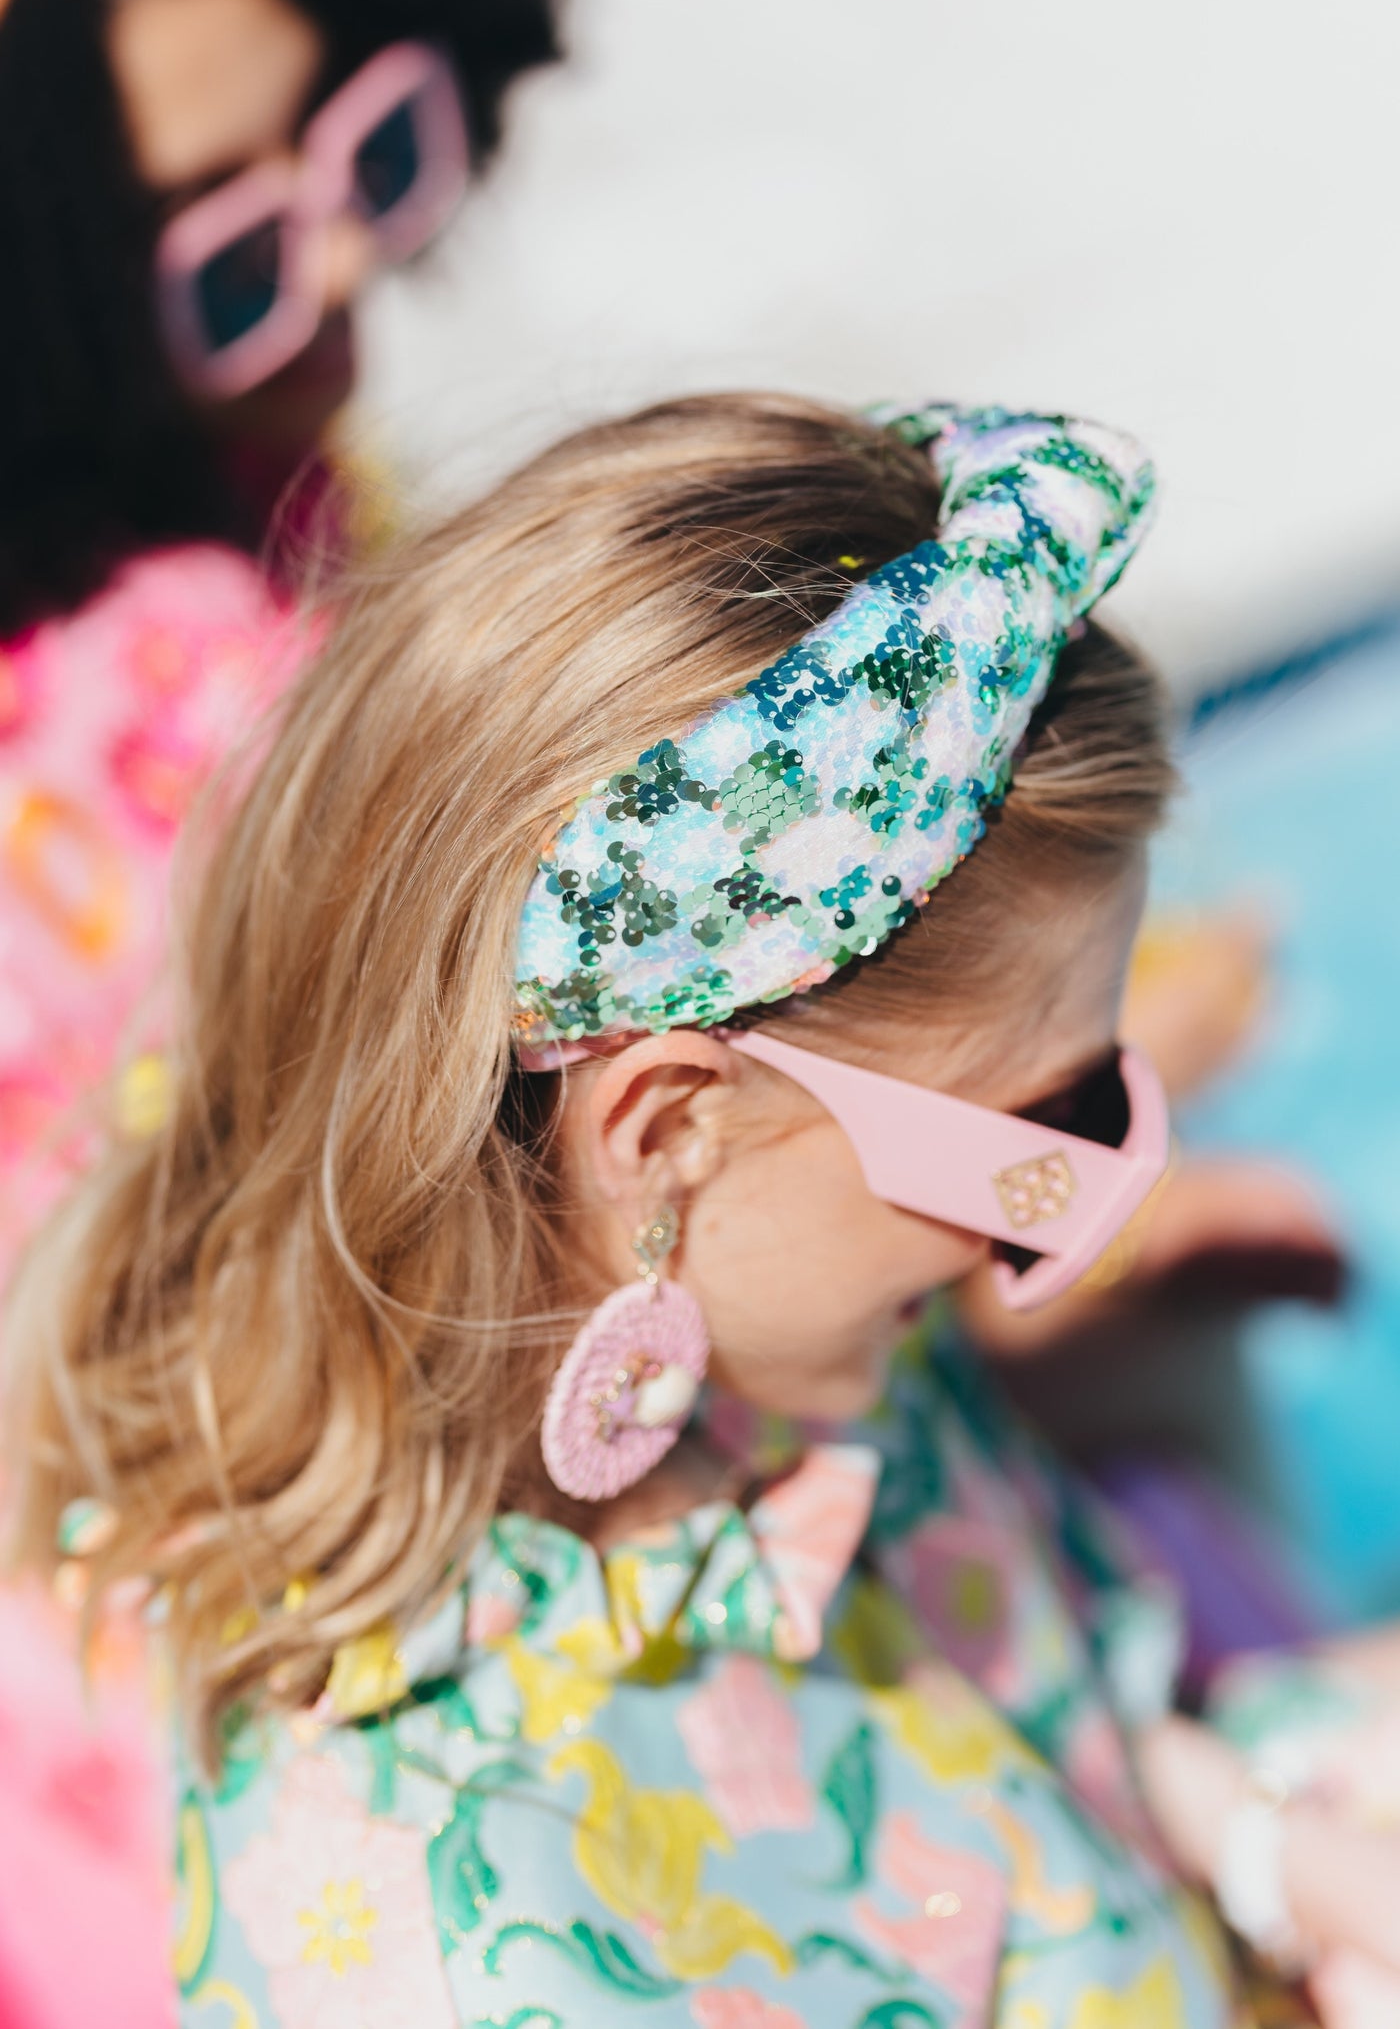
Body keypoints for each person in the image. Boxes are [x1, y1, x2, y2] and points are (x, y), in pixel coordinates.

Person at [11, 391, 1395, 2027]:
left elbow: (1083, 1720)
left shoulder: (791, 1360)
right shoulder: (435, 1919)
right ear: (663, 1132)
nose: (1092, 1207)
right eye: (1048, 1136)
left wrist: (1260, 1848)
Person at [0, 0, 559, 1269]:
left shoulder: (233, 480)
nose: (343, 261)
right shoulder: (183, 669)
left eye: (365, 140)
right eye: (231, 261)